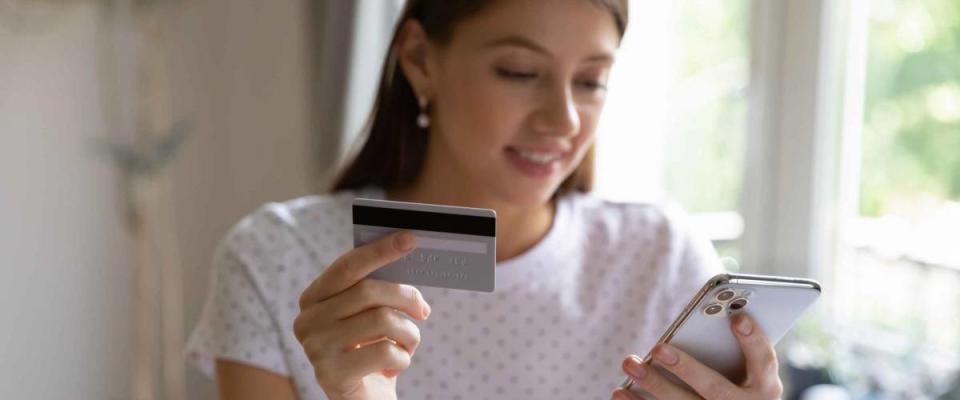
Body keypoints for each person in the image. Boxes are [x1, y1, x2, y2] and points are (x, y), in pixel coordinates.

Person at [186, 0, 785, 399]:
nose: (564, 119)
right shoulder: (276, 257)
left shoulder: (661, 257)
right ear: (421, 60)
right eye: (521, 72)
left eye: (591, 81)